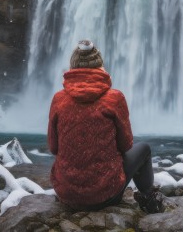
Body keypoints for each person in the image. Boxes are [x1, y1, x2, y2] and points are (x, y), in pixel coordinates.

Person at [47, 40, 164, 213]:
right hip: (106, 194)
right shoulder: (114, 98)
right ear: (100, 66)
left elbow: (53, 147)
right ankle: (148, 199)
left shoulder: (59, 99)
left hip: (67, 194)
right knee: (144, 148)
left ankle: (76, 192)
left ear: (73, 66)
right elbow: (126, 145)